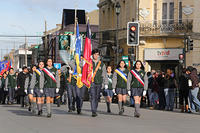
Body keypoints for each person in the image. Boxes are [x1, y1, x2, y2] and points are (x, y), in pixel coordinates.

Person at [90, 49, 108, 117]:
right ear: (92, 55)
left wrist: (105, 83)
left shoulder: (102, 64)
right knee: (92, 96)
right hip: (92, 82)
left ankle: (95, 109)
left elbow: (104, 74)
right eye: (95, 54)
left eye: (97, 54)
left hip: (99, 82)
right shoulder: (89, 63)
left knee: (97, 97)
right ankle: (93, 111)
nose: (96, 56)